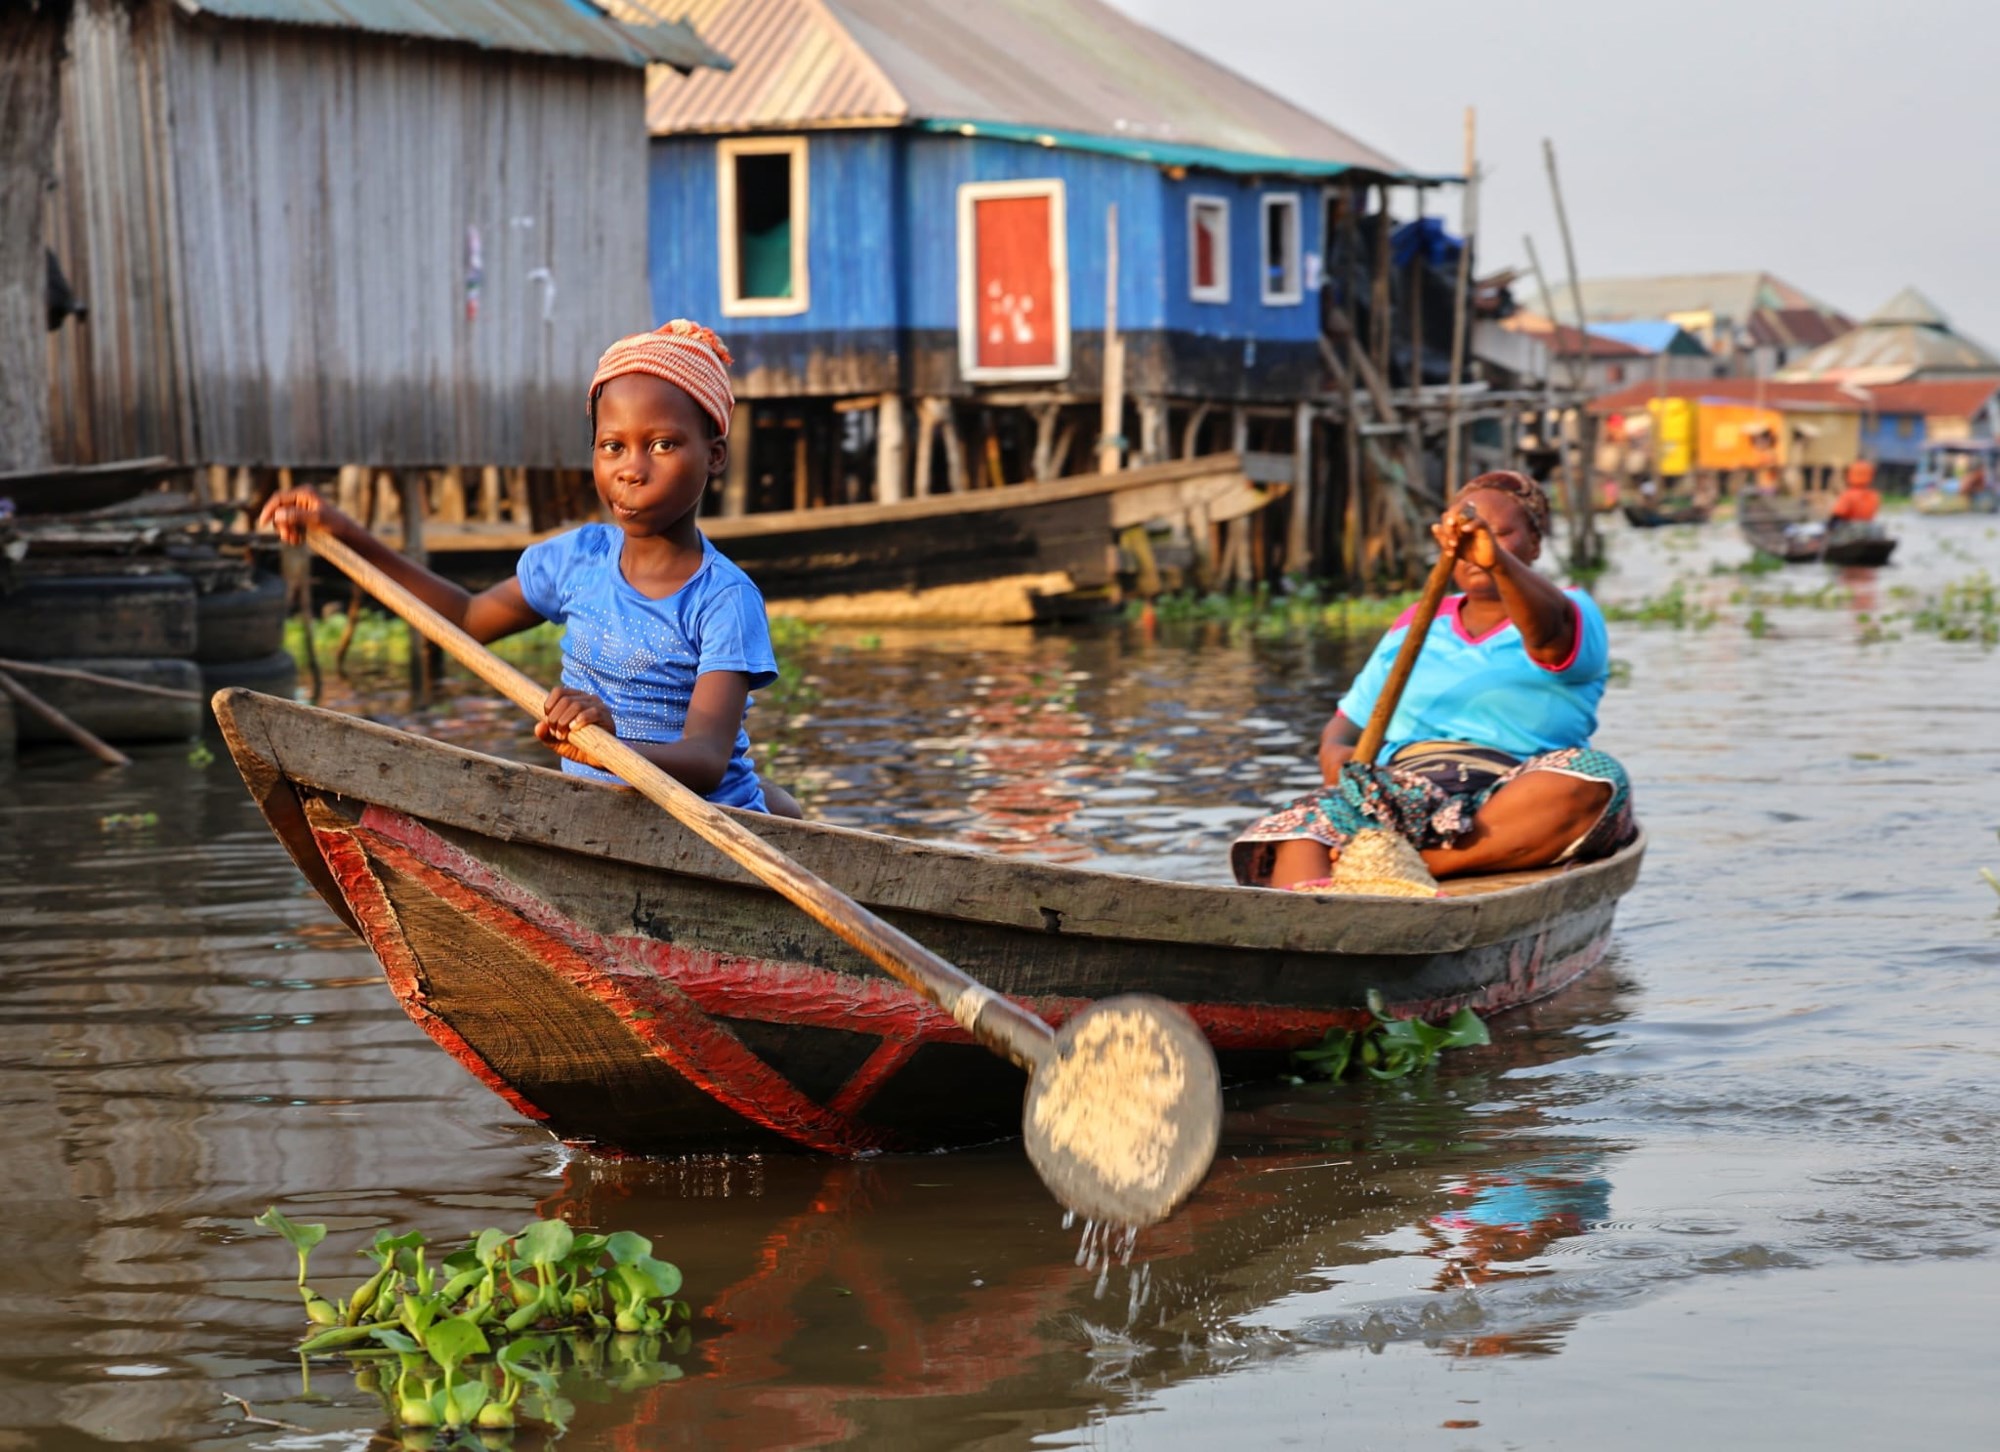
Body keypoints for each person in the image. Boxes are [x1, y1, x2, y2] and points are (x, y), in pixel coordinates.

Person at [259, 319, 801, 817]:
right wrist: (347, 534)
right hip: (603, 812)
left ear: (715, 455)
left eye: (662, 445)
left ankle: (777, 809)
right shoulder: (580, 560)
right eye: (612, 446)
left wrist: (611, 746)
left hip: (711, 820)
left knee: (766, 802)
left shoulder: (723, 598)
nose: (631, 470)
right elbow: (467, 618)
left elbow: (706, 760)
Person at [1232, 470, 1633, 890]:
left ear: (1533, 543)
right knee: (1297, 830)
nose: (1473, 551)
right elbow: (1350, 721)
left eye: (1501, 533)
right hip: (1403, 792)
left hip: (1508, 794)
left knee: (1593, 779)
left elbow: (1551, 639)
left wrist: (1496, 559)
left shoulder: (1569, 608)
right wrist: (1336, 755)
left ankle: (1420, 864)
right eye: (1461, 539)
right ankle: (1313, 929)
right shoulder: (1418, 621)